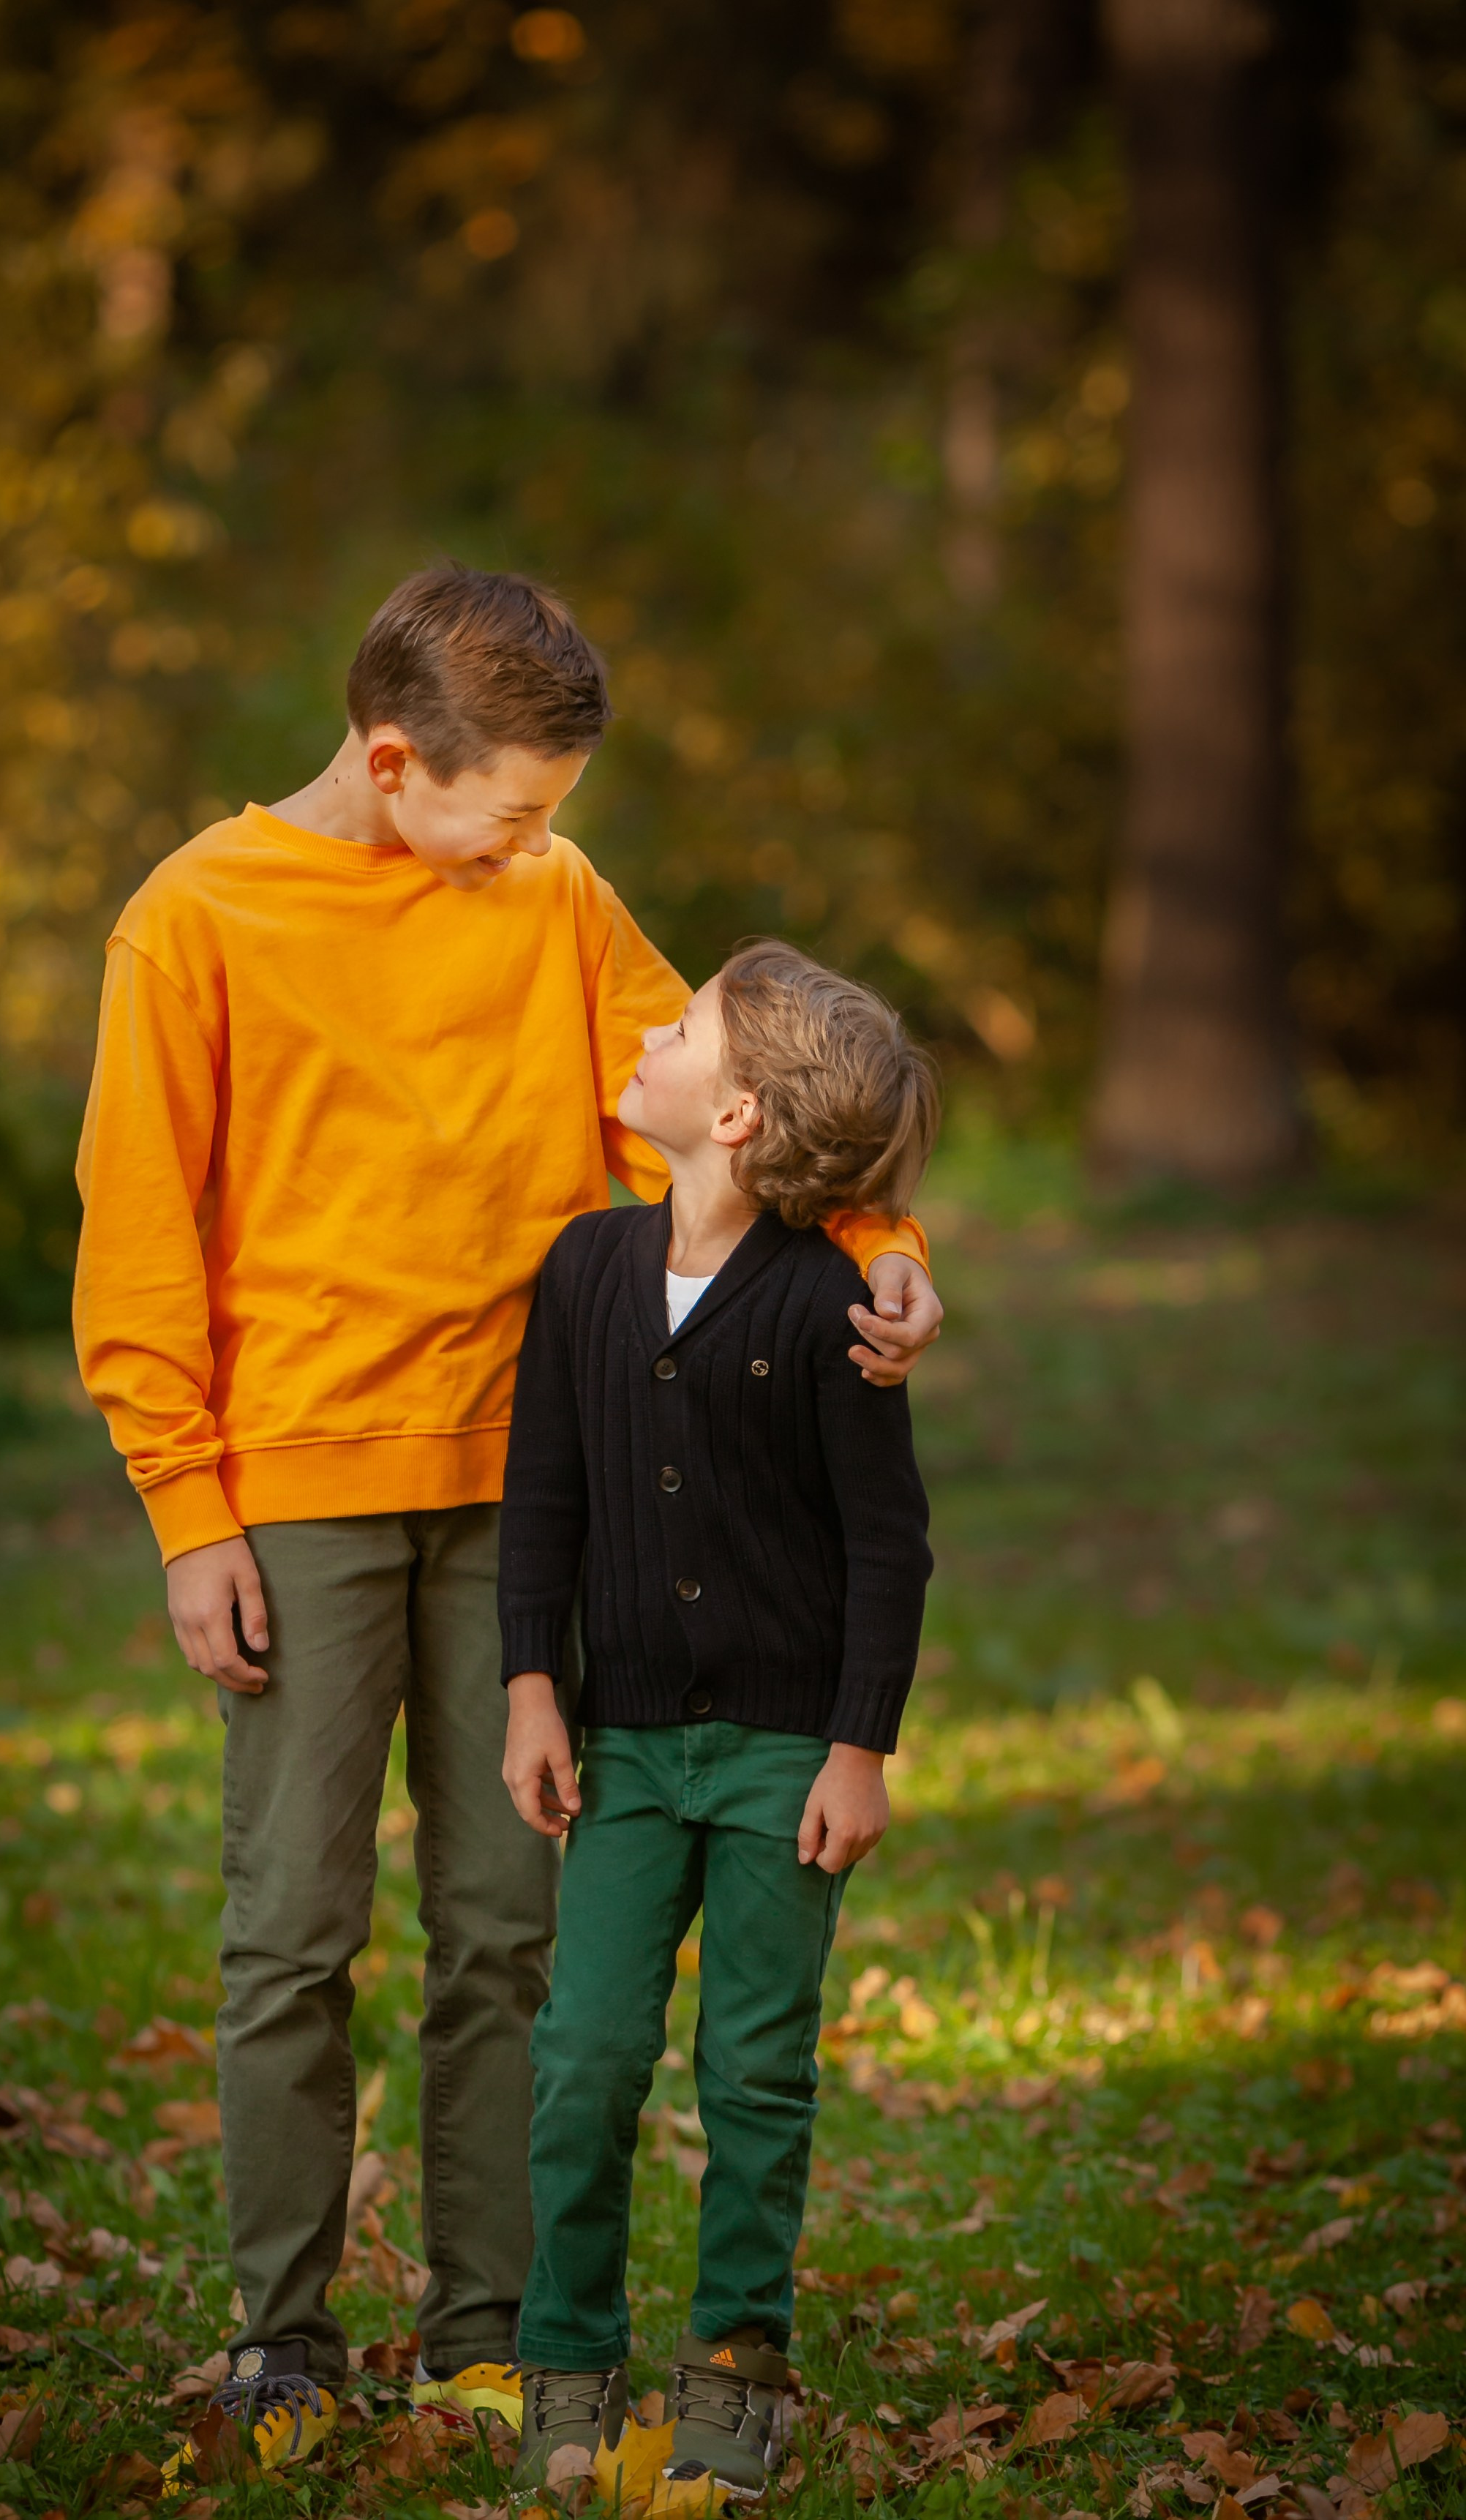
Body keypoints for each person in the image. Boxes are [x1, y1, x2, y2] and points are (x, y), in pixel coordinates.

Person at [72, 567, 942, 2480]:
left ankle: (479, 2330)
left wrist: (884, 1253)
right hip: (296, 1486)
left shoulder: (550, 897)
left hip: (528, 1486)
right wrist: (186, 1504)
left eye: (554, 816)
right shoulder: (196, 922)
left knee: (501, 1926)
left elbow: (750, 1104)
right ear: (396, 764)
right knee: (292, 1927)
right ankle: (280, 2331)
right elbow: (137, 1243)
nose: (542, 848)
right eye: (517, 811)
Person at [497, 940, 936, 2502]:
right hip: (615, 1745)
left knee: (755, 2066)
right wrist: (530, 1685)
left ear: (737, 1112)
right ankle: (566, 2360)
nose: (645, 1030)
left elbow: (888, 1540)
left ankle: (736, 2374)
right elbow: (540, 1495)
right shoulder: (584, 1270)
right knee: (588, 2054)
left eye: (678, 1029)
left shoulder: (832, 1304)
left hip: (778, 1757)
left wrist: (857, 1746)